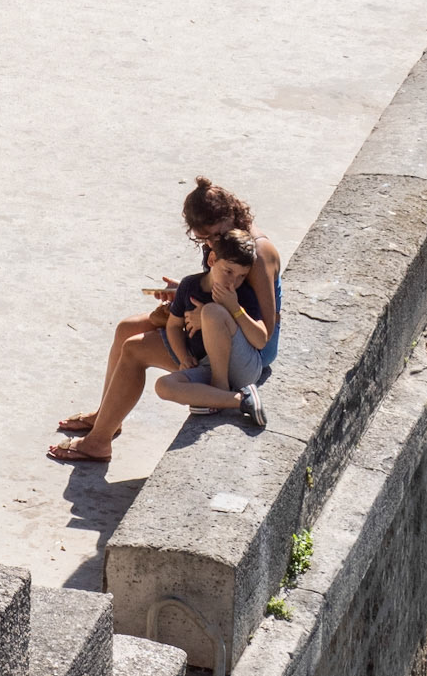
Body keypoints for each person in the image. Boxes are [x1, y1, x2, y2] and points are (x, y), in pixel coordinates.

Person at [46, 177, 281, 464]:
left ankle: (98, 442)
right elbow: (225, 287)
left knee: (135, 350)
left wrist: (206, 314)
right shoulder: (221, 241)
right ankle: (106, 415)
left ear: (231, 216)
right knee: (127, 328)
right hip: (218, 319)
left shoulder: (256, 252)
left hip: (247, 345)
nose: (211, 243)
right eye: (203, 239)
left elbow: (265, 330)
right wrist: (185, 291)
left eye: (215, 235)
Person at [154, 227, 268, 427]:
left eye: (242, 276)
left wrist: (234, 308)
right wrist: (183, 357)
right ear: (212, 260)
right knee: (163, 385)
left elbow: (260, 340)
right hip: (207, 366)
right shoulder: (189, 286)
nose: (233, 282)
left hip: (243, 366)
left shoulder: (242, 294)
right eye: (229, 271)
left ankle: (219, 389)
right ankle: (240, 401)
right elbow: (173, 326)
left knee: (212, 312)